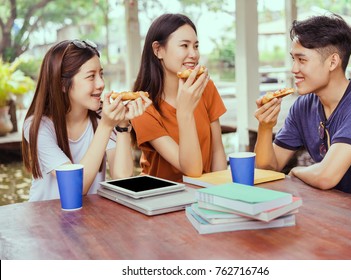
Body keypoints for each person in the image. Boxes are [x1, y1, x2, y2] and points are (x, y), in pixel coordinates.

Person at [254, 14, 351, 203]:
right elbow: (267, 169)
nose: (293, 69)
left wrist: (296, 171)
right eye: (293, 59)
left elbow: (326, 176)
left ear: (333, 62)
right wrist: (265, 127)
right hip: (331, 211)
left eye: (302, 60)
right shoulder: (303, 106)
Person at [22, 39, 151, 201]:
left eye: (101, 74)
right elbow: (75, 187)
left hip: (89, 220)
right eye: (91, 76)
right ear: (63, 84)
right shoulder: (37, 125)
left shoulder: (100, 116)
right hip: (46, 219)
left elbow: (122, 179)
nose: (101, 84)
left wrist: (123, 125)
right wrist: (106, 125)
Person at [131, 13, 227, 182]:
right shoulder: (142, 105)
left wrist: (220, 191)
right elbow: (192, 169)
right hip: (161, 197)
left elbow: (217, 151)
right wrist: (185, 112)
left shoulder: (205, 87)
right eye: (184, 46)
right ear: (158, 50)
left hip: (206, 193)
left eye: (196, 46)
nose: (194, 54)